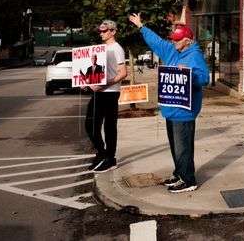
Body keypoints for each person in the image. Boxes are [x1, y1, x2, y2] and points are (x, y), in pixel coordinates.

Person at [128, 13, 210, 193]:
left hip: (184, 111)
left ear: (187, 40)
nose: (173, 42)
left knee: (183, 147)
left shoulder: (194, 56)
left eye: (177, 40)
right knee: (175, 146)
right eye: (173, 40)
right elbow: (157, 42)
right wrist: (141, 26)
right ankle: (179, 172)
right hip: (170, 109)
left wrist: (189, 74)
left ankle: (189, 180)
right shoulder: (174, 50)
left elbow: (204, 79)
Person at [86, 20, 127, 173]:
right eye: (100, 31)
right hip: (98, 92)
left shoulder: (117, 49)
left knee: (109, 126)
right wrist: (87, 81)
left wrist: (105, 84)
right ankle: (101, 153)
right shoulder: (101, 49)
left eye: (104, 31)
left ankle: (110, 158)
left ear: (113, 31)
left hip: (110, 92)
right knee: (90, 125)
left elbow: (123, 73)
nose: (101, 33)